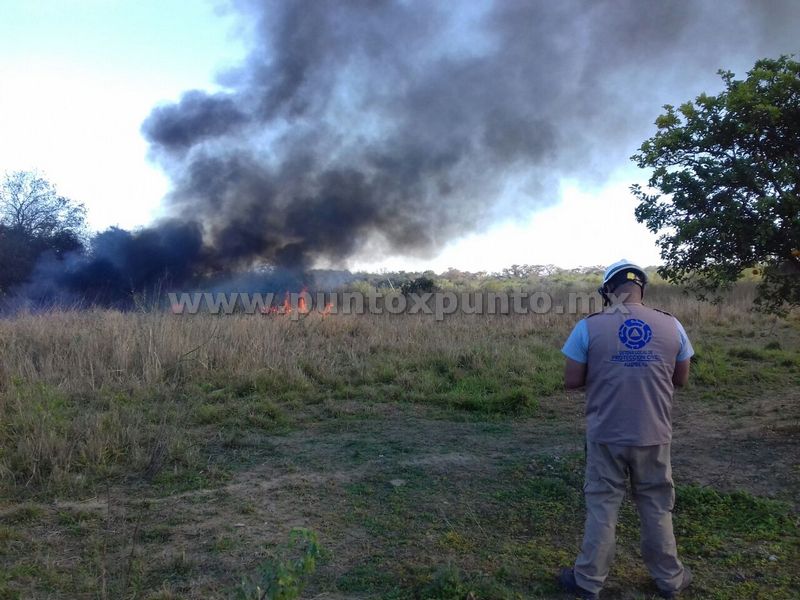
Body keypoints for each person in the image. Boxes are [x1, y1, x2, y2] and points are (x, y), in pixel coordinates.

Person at [557, 259, 694, 599]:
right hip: (654, 433)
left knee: (603, 504)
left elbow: (571, 381)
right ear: (642, 289)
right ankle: (670, 580)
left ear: (608, 291)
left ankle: (588, 581)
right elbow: (681, 379)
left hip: (607, 433)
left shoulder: (588, 327)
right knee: (656, 504)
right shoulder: (672, 325)